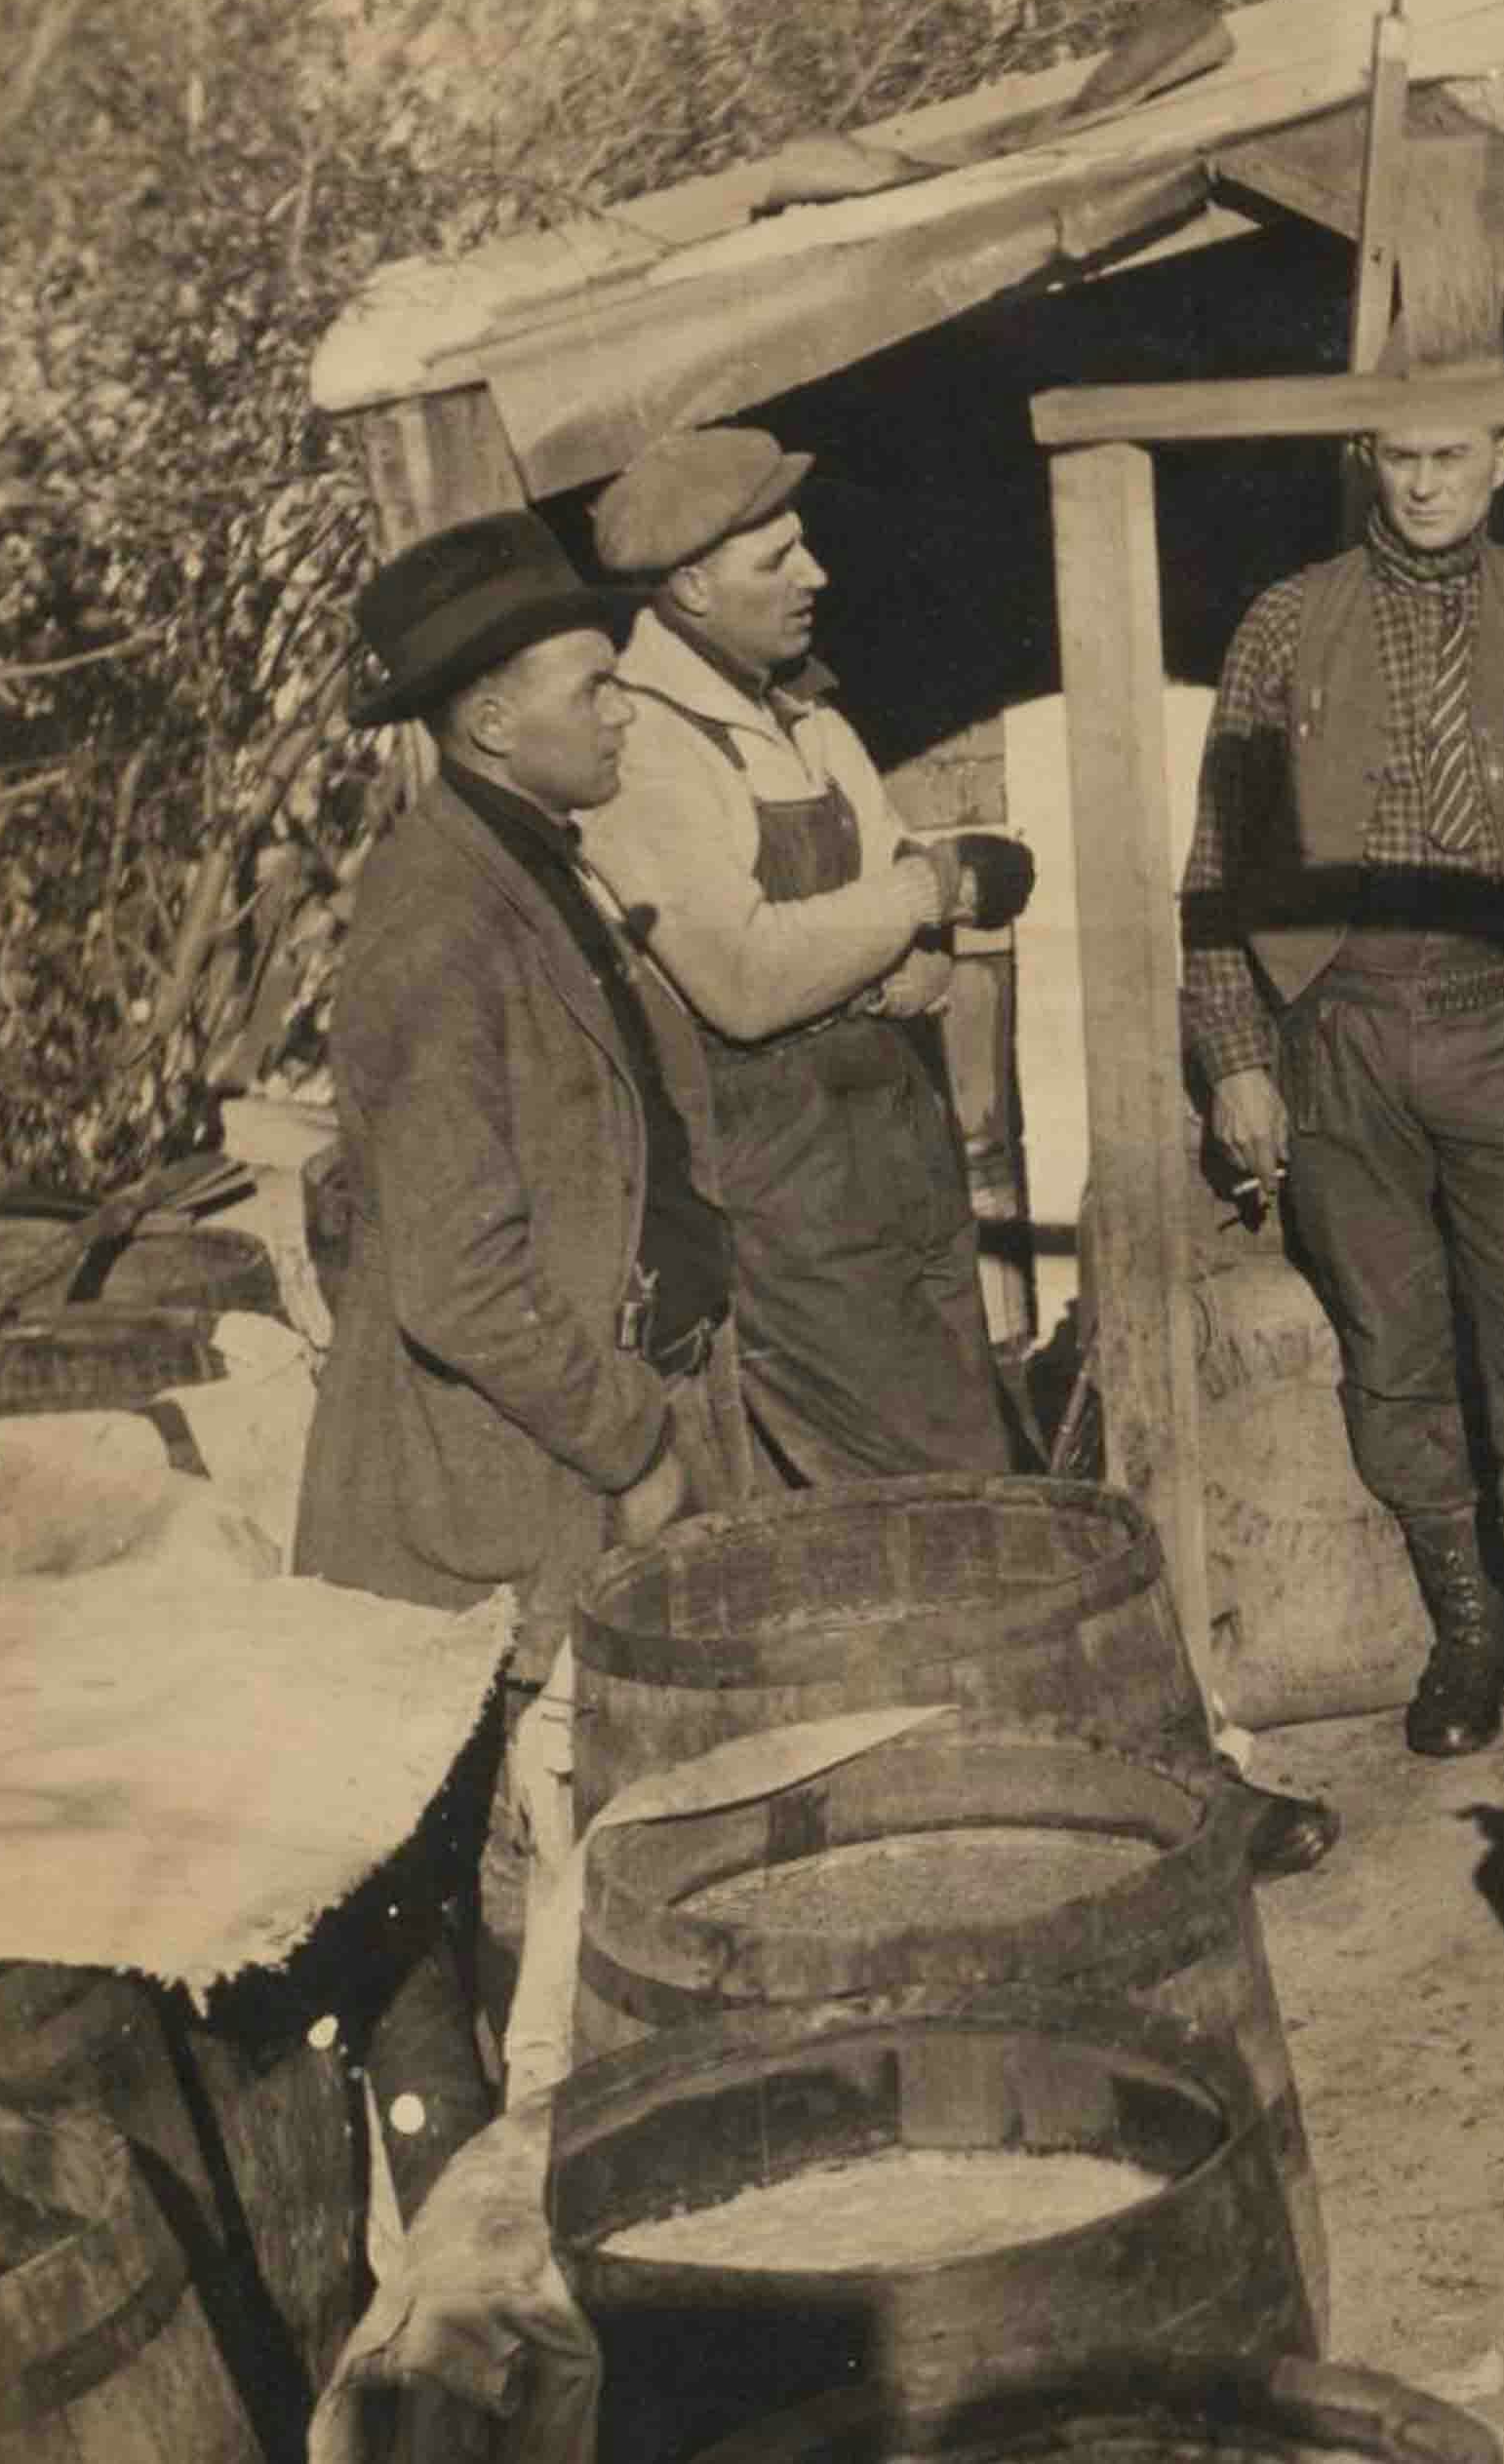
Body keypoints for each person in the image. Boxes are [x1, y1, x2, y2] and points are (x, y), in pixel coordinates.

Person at [295, 509, 773, 2069]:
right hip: (525, 1481)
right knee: (546, 1869)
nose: (625, 707)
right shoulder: (435, 921)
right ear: (491, 718)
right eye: (595, 687)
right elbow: (457, 1279)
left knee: (626, 1842)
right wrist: (633, 1446)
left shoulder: (535, 863)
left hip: (621, 1427)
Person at [1179, 368, 1504, 1798]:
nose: (1426, 483)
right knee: (1390, 1348)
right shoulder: (1286, 624)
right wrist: (1237, 1060)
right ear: (1364, 458)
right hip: (1337, 1026)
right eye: (1398, 457)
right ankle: (1471, 1631)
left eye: (1453, 455)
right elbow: (1215, 864)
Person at [577, 428, 1027, 1485]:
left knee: (971, 1452)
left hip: (898, 1150)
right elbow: (743, 982)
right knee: (939, 1490)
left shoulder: (801, 710)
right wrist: (919, 896)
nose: (815, 576)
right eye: (777, 559)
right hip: (788, 1183)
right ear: (690, 587)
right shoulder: (647, 743)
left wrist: (891, 932)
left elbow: (914, 938)